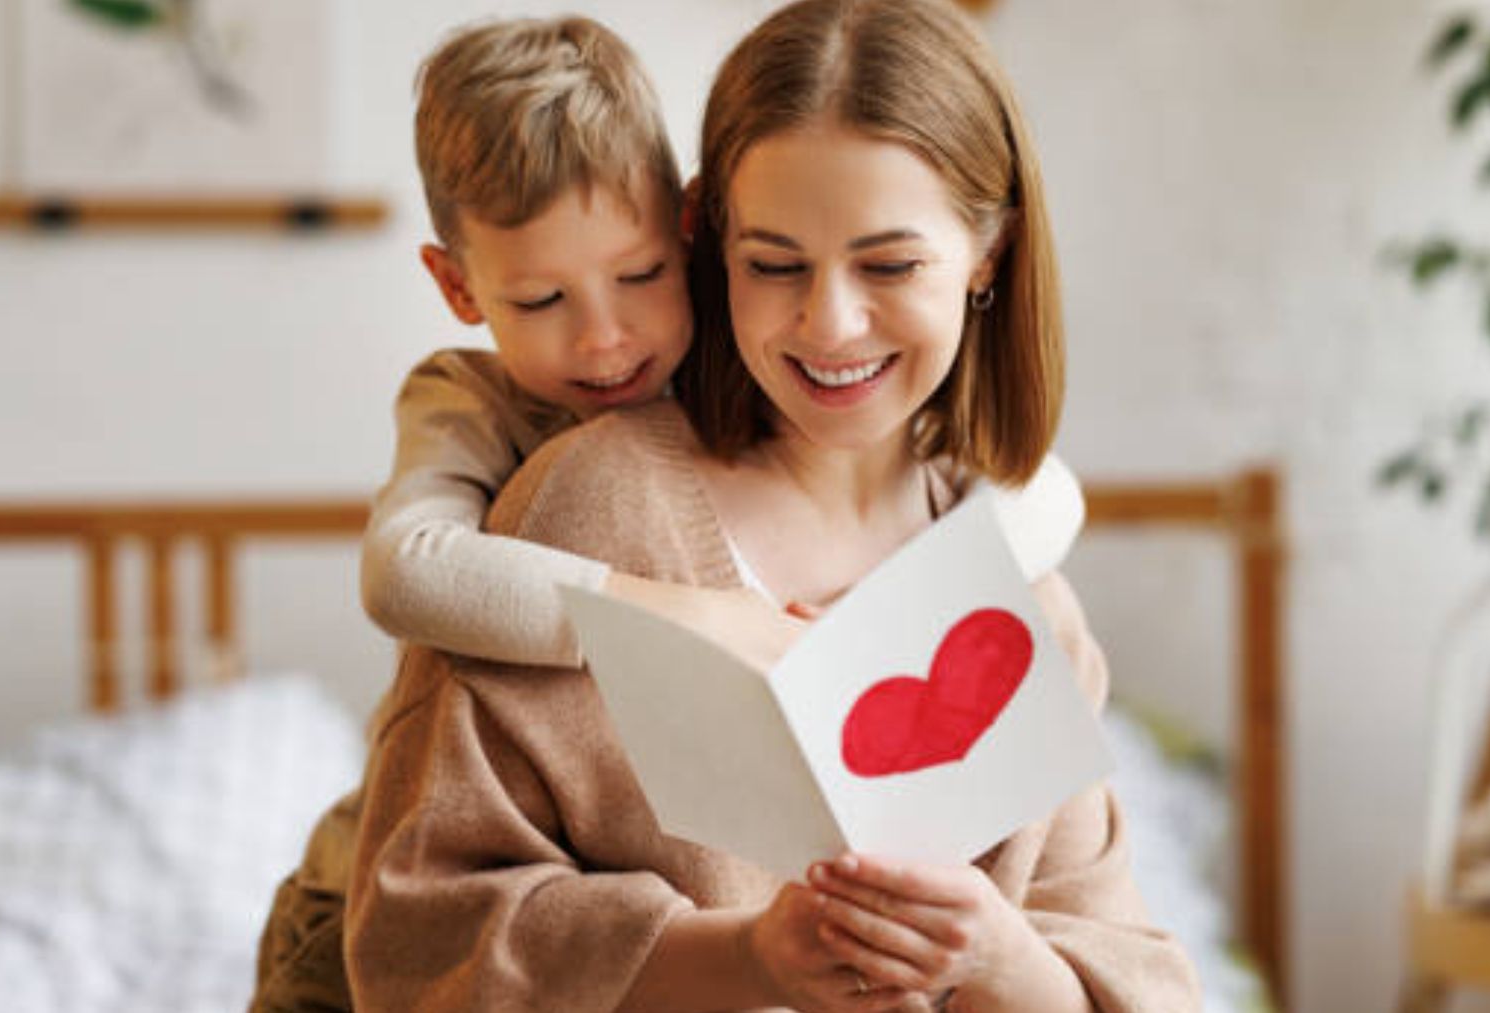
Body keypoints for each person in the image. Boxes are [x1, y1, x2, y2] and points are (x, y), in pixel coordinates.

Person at [341, 0, 1201, 1009]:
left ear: (990, 256)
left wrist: (994, 952)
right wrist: (743, 956)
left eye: (889, 263)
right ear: (713, 238)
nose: (829, 323)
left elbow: (1133, 979)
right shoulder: (584, 509)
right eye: (774, 264)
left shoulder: (1020, 597)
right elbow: (417, 944)